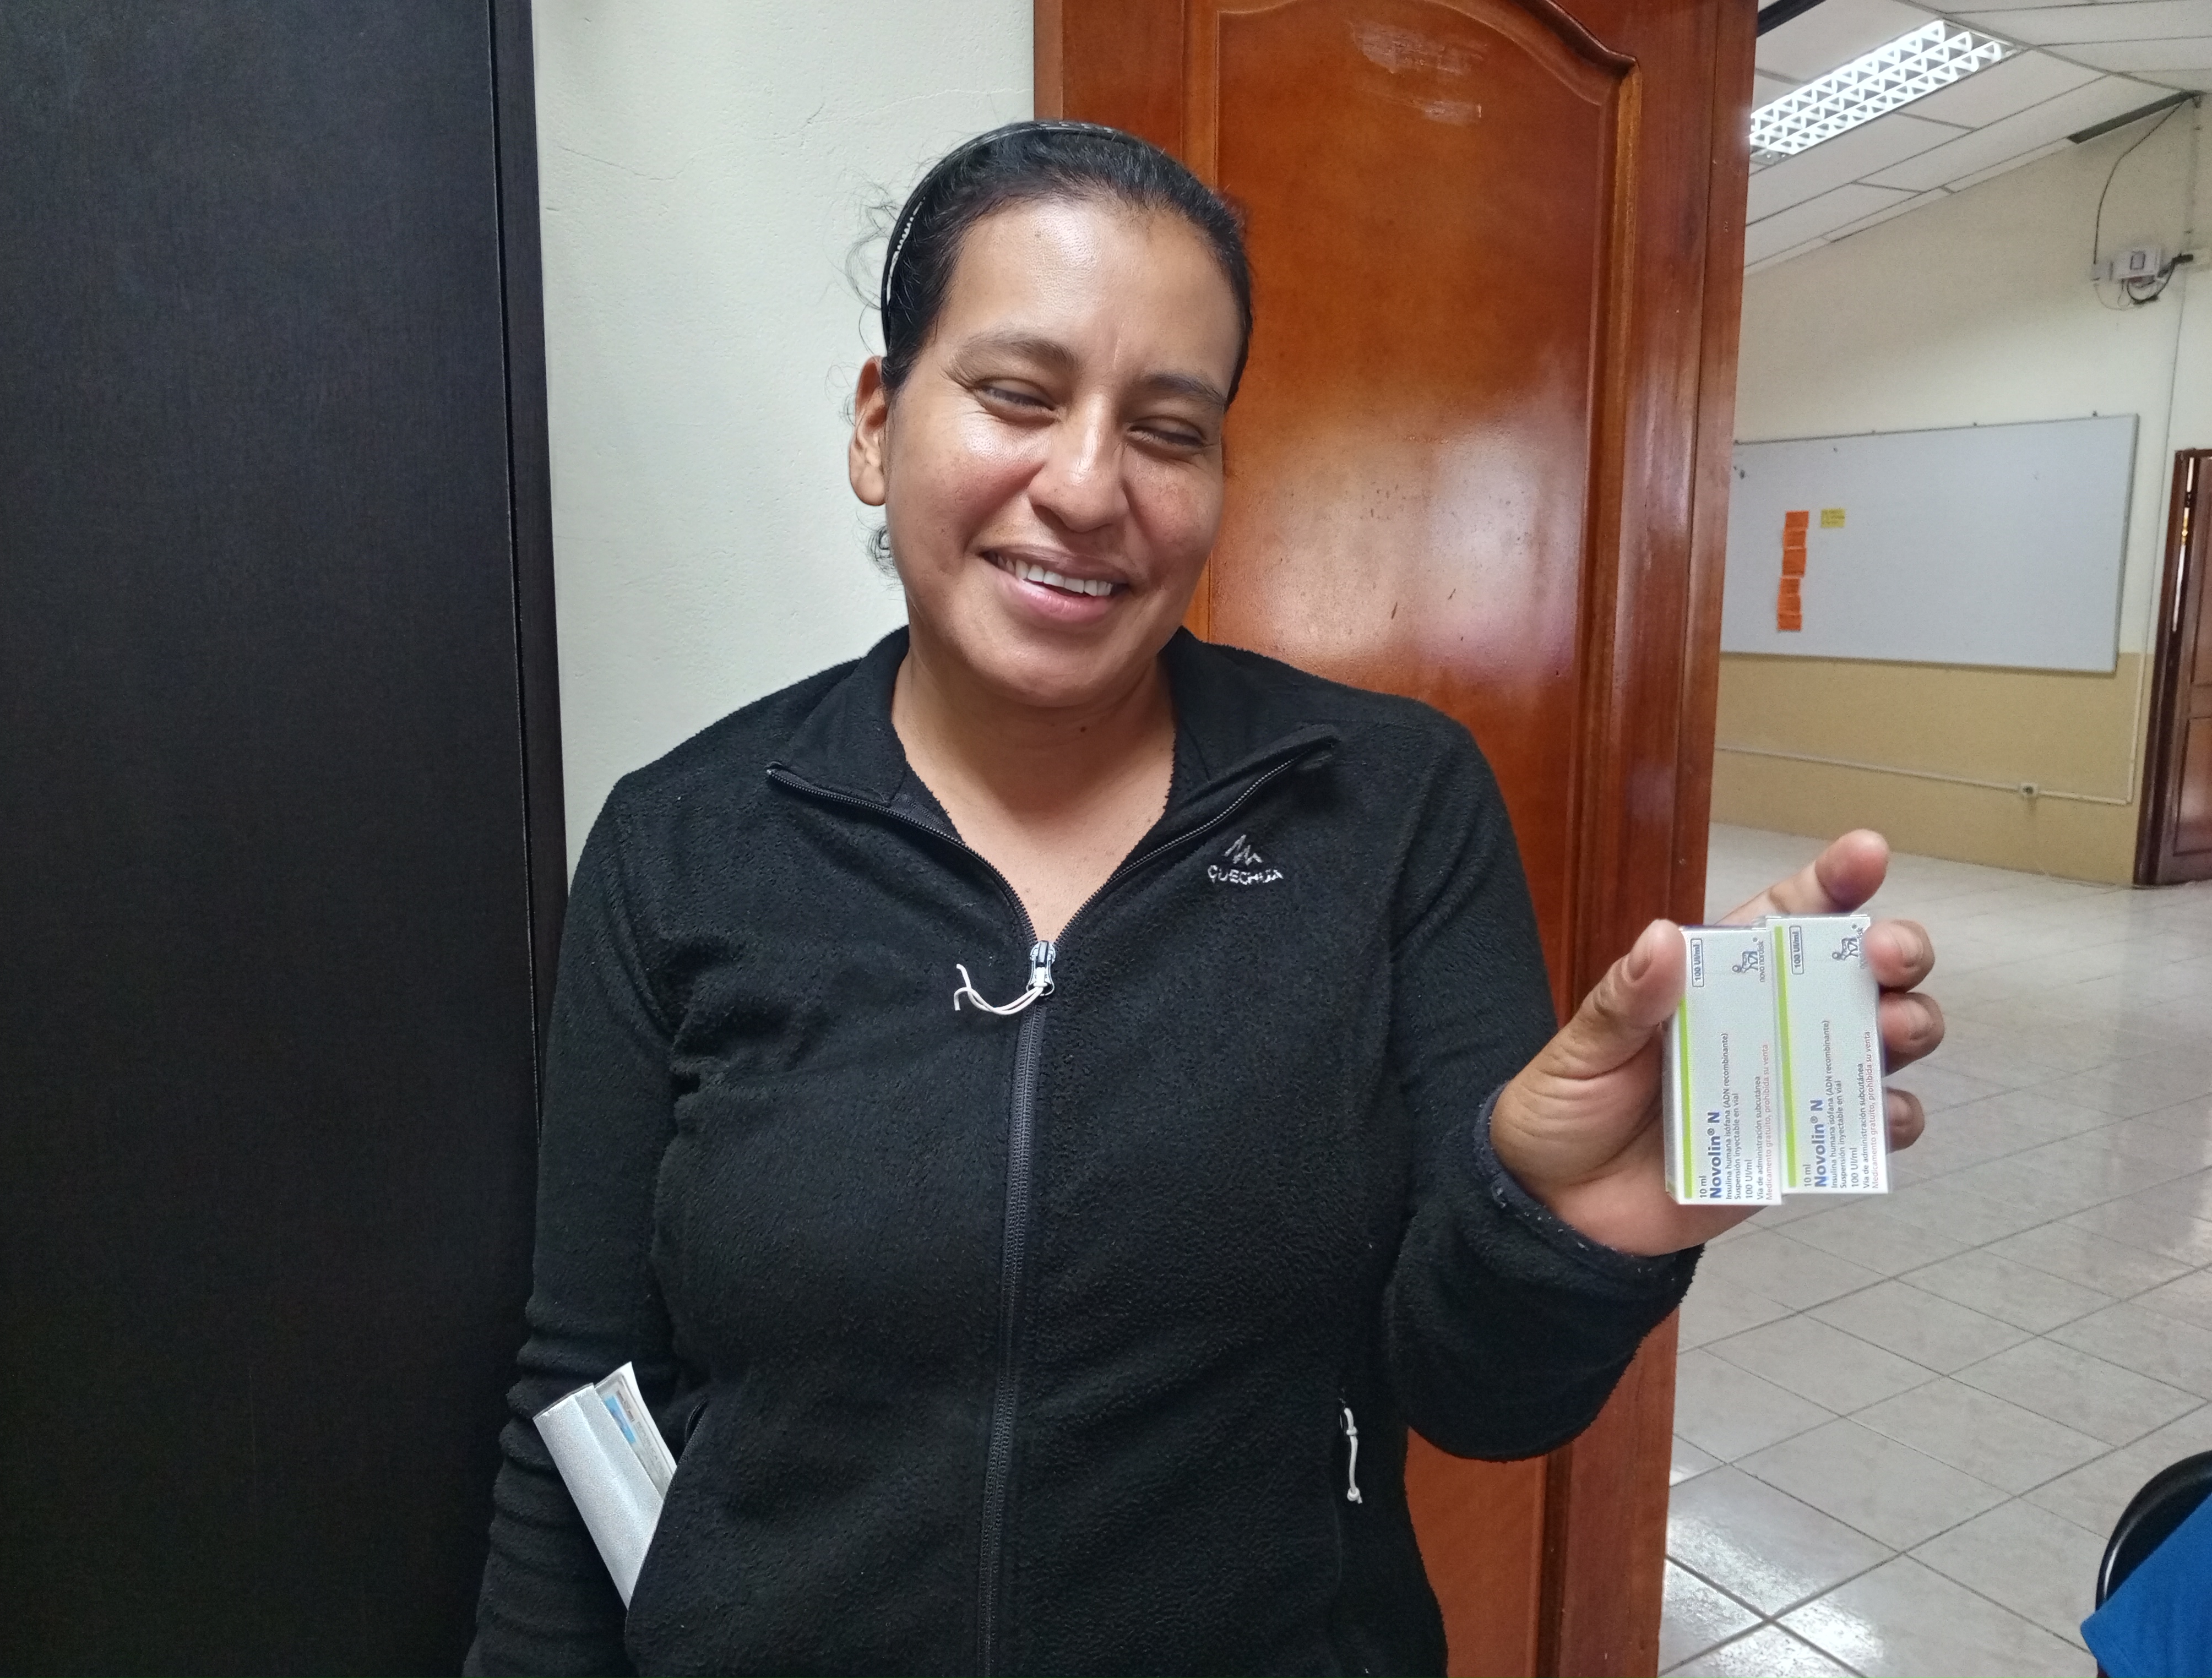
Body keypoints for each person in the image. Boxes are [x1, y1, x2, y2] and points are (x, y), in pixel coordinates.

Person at [465, 122, 1942, 1678]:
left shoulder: (1390, 807)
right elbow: (581, 1384)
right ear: (879, 424)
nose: (1087, 486)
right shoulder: (685, 840)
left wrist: (1564, 1230)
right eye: (1018, 396)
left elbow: (1483, 1402)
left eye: (1169, 430)